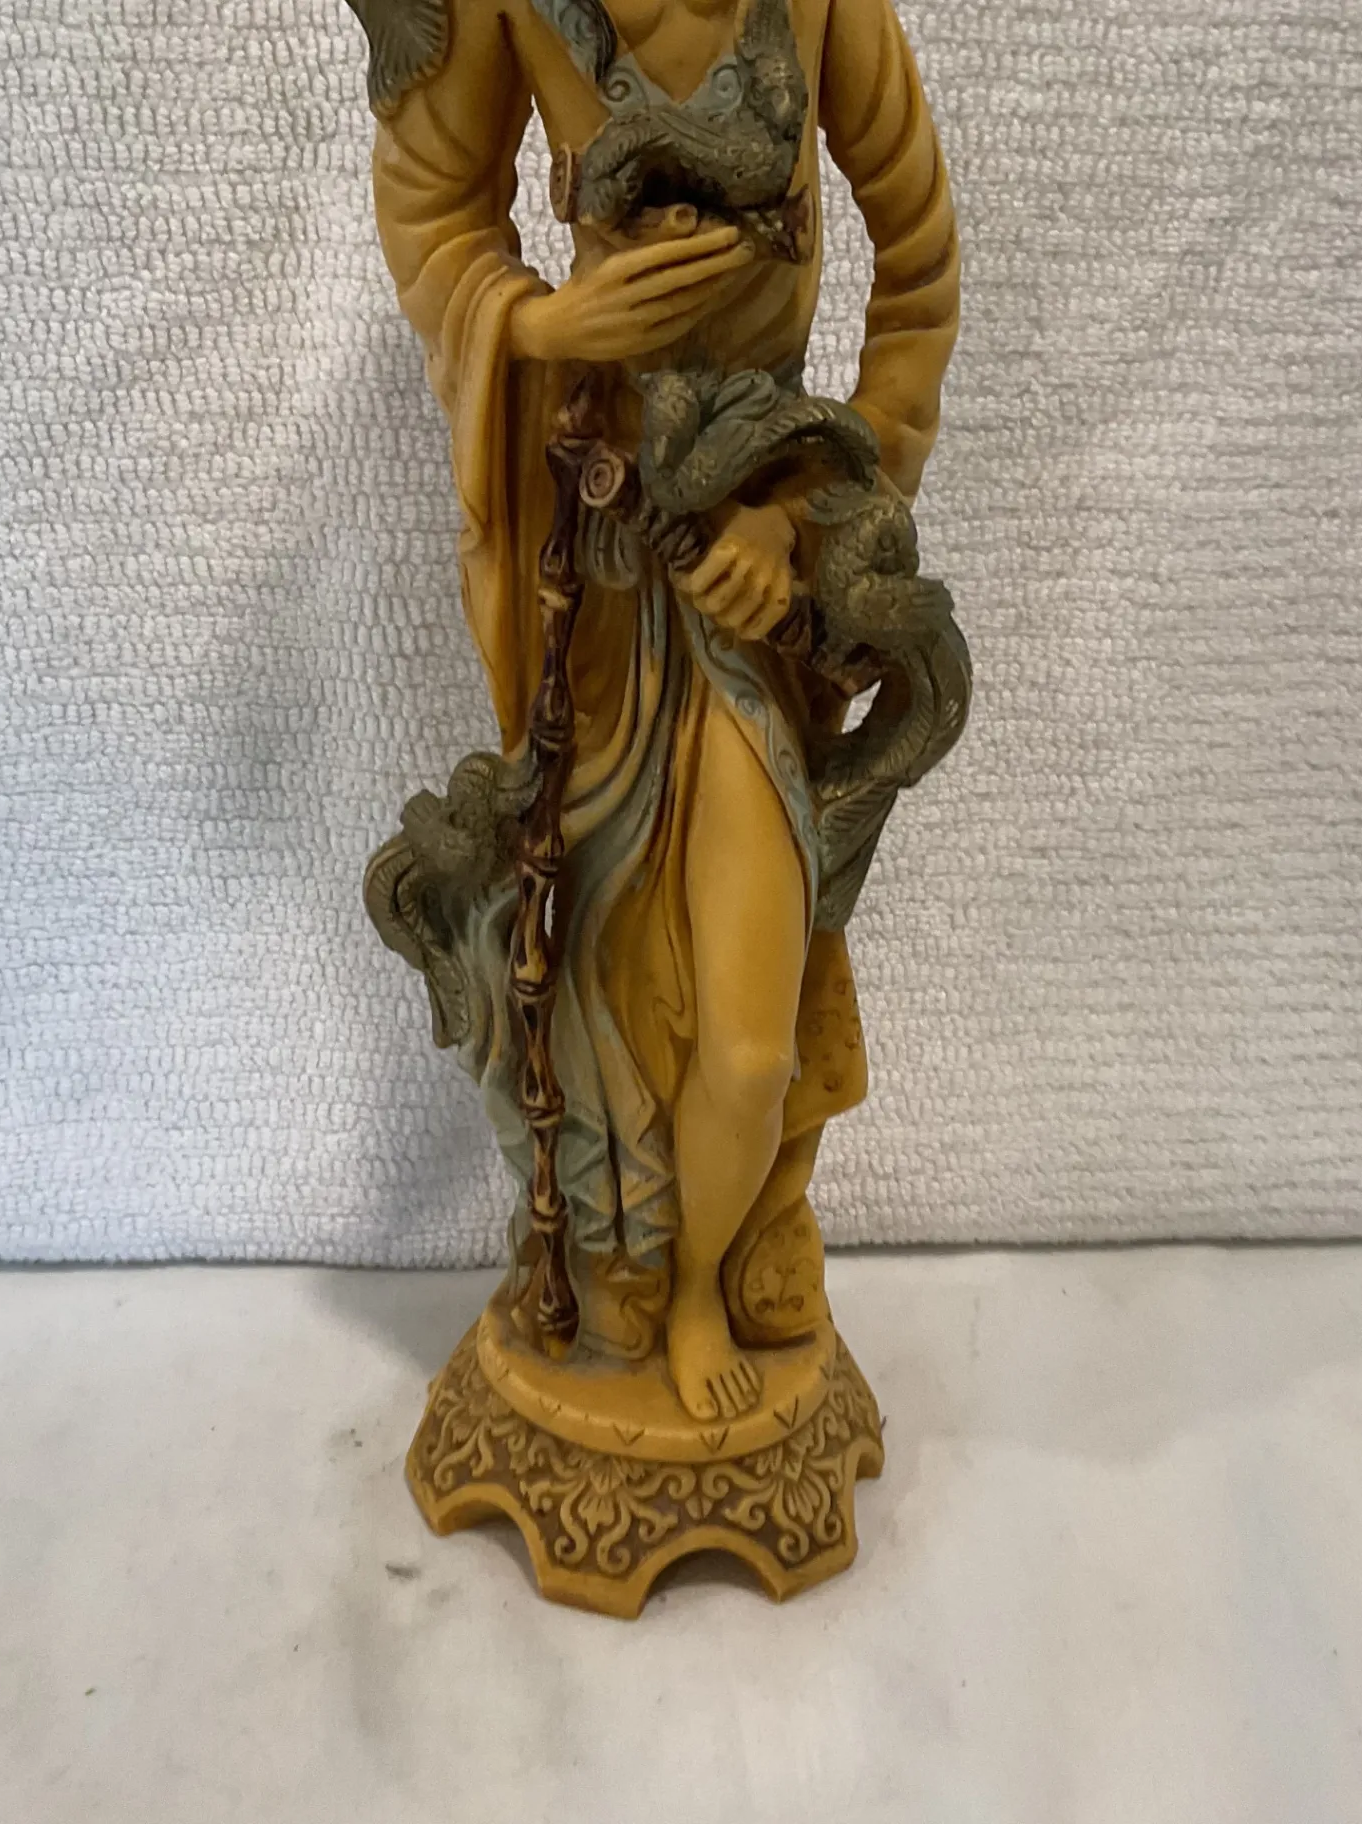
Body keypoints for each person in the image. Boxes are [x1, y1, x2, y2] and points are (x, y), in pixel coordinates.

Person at [360, 0, 959, 1423]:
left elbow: (921, 266)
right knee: (582, 968)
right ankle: (617, 1269)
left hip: (746, 600)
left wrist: (807, 521)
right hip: (594, 592)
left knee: (747, 1042)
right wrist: (542, 323)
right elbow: (430, 208)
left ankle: (708, 1280)